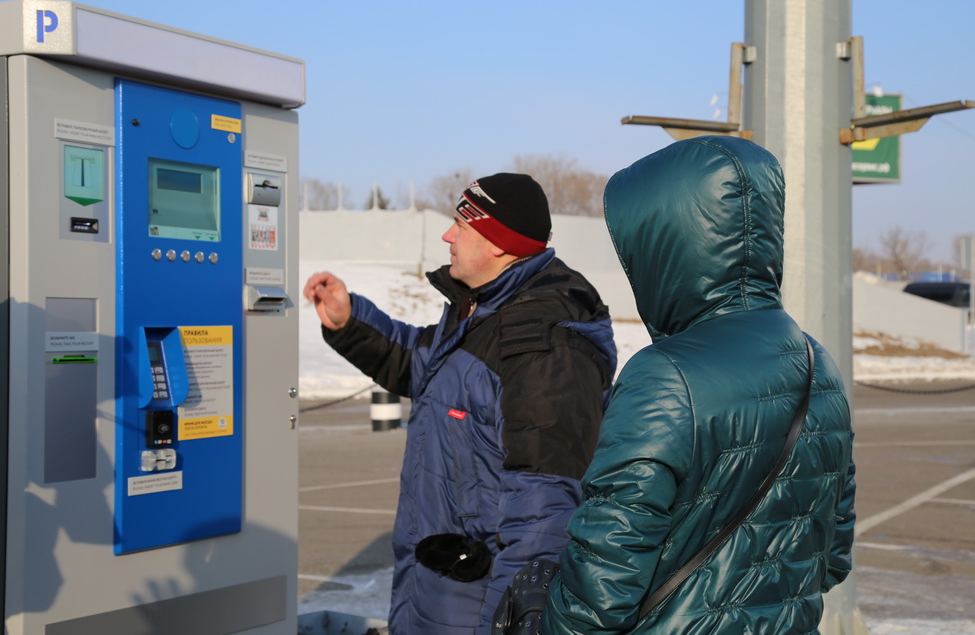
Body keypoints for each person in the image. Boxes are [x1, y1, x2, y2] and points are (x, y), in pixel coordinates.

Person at [541, 136, 857, 634]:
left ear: (664, 245)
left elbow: (603, 580)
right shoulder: (820, 362)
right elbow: (833, 556)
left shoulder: (665, 374)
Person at [303, 173, 617, 635]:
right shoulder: (480, 312)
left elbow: (543, 517)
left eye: (463, 224)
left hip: (477, 610)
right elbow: (420, 364)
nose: (449, 235)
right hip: (432, 592)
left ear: (497, 243)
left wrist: (514, 623)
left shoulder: (542, 346)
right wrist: (350, 321)